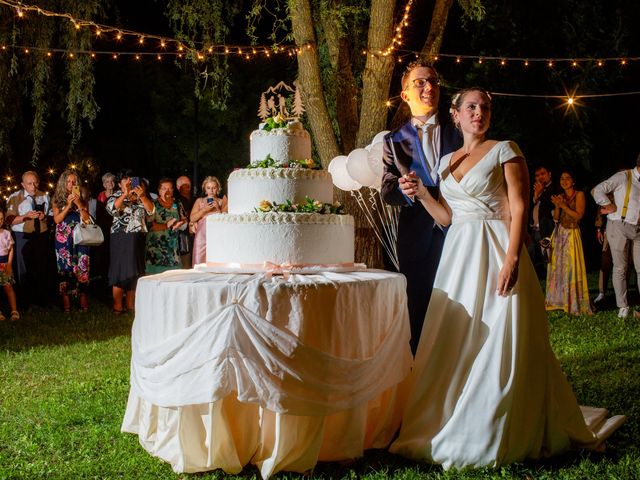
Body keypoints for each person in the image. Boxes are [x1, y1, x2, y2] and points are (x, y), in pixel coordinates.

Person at [390, 87, 624, 468]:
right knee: (456, 335)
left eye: (484, 106)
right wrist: (420, 193)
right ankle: (449, 411)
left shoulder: (506, 149)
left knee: (501, 331)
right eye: (470, 106)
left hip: (497, 248)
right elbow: (448, 218)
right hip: (459, 257)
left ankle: (495, 419)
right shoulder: (446, 160)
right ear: (456, 114)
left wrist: (513, 259)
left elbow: (517, 206)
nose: (478, 112)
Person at [381, 60, 462, 354]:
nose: (429, 87)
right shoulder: (394, 141)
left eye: (433, 81)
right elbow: (386, 189)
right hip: (415, 236)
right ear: (405, 95)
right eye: (420, 82)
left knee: (459, 303)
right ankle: (418, 375)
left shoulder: (460, 131)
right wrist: (402, 190)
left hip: (460, 231)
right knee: (417, 307)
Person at [591, 154, 640, 318]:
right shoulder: (624, 176)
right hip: (618, 225)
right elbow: (597, 190)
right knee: (621, 267)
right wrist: (608, 205)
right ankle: (623, 306)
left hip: (638, 229)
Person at [106, 169, 155, 314]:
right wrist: (125, 194)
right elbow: (112, 209)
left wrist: (143, 197)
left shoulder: (142, 197)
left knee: (135, 272)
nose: (128, 182)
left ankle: (131, 305)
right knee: (119, 271)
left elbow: (152, 214)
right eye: (125, 179)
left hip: (138, 237)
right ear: (119, 183)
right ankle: (117, 307)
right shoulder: (115, 196)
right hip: (121, 237)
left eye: (131, 179)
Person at [545, 170, 592, 315]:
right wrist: (558, 206)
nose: (564, 181)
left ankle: (573, 300)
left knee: (571, 267)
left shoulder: (579, 195)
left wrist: (564, 206)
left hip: (572, 233)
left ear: (573, 181)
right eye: (562, 178)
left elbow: (578, 216)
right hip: (560, 234)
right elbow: (556, 219)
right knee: (558, 267)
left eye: (567, 178)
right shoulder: (561, 196)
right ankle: (558, 300)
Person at [5, 171, 51, 309]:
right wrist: (25, 216)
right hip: (22, 236)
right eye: (30, 183)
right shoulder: (15, 197)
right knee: (23, 269)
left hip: (41, 235)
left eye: (35, 182)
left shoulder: (44, 196)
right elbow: (9, 220)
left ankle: (40, 300)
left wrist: (44, 217)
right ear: (23, 184)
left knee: (40, 267)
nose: (33, 186)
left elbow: (51, 216)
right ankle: (24, 302)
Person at [51, 170, 91, 313]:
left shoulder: (82, 198)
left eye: (74, 182)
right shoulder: (57, 199)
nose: (71, 184)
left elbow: (87, 219)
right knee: (65, 268)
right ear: (63, 183)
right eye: (68, 181)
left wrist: (78, 203)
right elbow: (57, 220)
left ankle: (82, 300)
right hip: (63, 239)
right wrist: (68, 205)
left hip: (80, 238)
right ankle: (66, 302)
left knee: (82, 267)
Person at [145, 178, 188, 274]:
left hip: (173, 252)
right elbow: (149, 225)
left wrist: (180, 225)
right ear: (159, 191)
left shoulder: (177, 203)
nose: (167, 191)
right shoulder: (153, 204)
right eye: (164, 188)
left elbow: (184, 220)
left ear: (173, 190)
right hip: (155, 251)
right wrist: (166, 225)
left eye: (169, 188)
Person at [189, 176, 228, 265]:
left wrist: (218, 209)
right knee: (199, 259)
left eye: (214, 188)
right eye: (209, 188)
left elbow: (225, 218)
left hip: (217, 233)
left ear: (218, 189)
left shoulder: (222, 201)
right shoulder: (200, 201)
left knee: (216, 258)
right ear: (205, 189)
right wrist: (204, 210)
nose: (211, 190)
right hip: (202, 235)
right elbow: (192, 218)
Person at [528, 164, 556, 279]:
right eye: (537, 175)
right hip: (532, 230)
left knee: (548, 260)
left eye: (543, 174)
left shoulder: (554, 189)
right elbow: (526, 207)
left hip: (546, 230)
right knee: (531, 259)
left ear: (549, 175)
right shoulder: (533, 190)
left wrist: (540, 193)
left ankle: (553, 285)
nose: (540, 177)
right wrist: (536, 195)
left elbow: (550, 207)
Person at [0, 210, 20, 321]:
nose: (0, 221)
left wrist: (9, 264)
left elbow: (11, 249)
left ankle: (14, 311)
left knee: (8, 287)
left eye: (2, 219)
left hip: (4, 264)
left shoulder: (6, 233)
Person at [176, 175, 195, 268]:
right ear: (178, 187)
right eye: (185, 185)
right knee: (185, 265)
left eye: (189, 184)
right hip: (183, 237)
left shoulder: (195, 198)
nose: (189, 186)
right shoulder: (177, 201)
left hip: (194, 235)